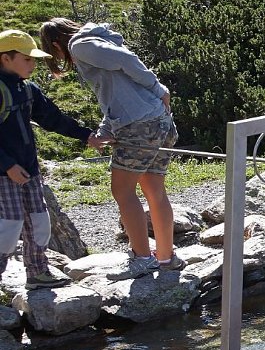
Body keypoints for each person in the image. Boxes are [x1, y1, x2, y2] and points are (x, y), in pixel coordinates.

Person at [40, 18, 182, 277]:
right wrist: (104, 131)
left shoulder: (80, 46)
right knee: (154, 189)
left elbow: (126, 62)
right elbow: (118, 95)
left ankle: (142, 257)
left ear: (56, 44)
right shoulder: (98, 40)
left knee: (122, 190)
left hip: (139, 125)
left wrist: (158, 87)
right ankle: (165, 257)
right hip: (159, 120)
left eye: (54, 53)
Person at [0, 30, 100, 289]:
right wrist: (8, 165)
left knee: (40, 221)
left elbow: (53, 119)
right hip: (4, 173)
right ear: (5, 59)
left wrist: (87, 136)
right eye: (27, 59)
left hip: (29, 170)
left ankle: (38, 272)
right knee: (9, 228)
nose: (33, 65)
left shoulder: (28, 88)